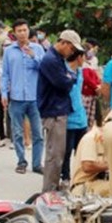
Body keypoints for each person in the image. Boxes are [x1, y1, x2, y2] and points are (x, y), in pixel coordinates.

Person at [38, 30, 84, 192]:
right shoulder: (50, 60)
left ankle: (53, 187)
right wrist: (70, 78)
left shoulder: (57, 59)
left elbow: (67, 80)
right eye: (71, 49)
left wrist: (69, 78)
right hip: (53, 111)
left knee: (59, 154)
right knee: (55, 156)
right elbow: (63, 83)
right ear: (63, 43)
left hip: (59, 110)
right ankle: (49, 191)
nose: (72, 53)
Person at [0, 19, 44, 175]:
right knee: (17, 132)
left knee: (38, 133)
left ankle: (37, 163)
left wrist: (34, 57)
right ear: (14, 33)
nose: (22, 33)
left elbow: (44, 69)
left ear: (28, 30)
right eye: (19, 31)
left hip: (35, 97)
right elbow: (4, 74)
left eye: (25, 30)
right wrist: (4, 93)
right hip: (17, 97)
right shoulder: (9, 51)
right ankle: (21, 161)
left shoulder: (38, 49)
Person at [61, 49, 88, 189]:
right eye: (83, 57)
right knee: (66, 151)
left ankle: (79, 178)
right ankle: (65, 176)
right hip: (68, 118)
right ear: (79, 57)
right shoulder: (63, 71)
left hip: (81, 117)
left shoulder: (80, 72)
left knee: (81, 150)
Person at [70, 126, 109, 197]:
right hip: (84, 185)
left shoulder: (109, 138)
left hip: (99, 182)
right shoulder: (91, 138)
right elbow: (87, 166)